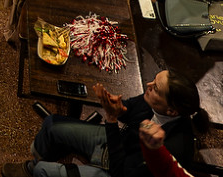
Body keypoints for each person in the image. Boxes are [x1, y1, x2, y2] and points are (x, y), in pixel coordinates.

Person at [27, 75, 206, 177]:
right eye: (153, 80)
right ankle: (37, 160)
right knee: (51, 124)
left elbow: (121, 171)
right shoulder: (154, 102)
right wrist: (119, 110)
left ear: (172, 111)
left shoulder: (170, 148)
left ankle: (37, 168)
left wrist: (112, 120)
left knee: (43, 171)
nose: (148, 85)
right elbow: (130, 110)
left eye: (156, 88)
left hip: (118, 170)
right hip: (118, 145)